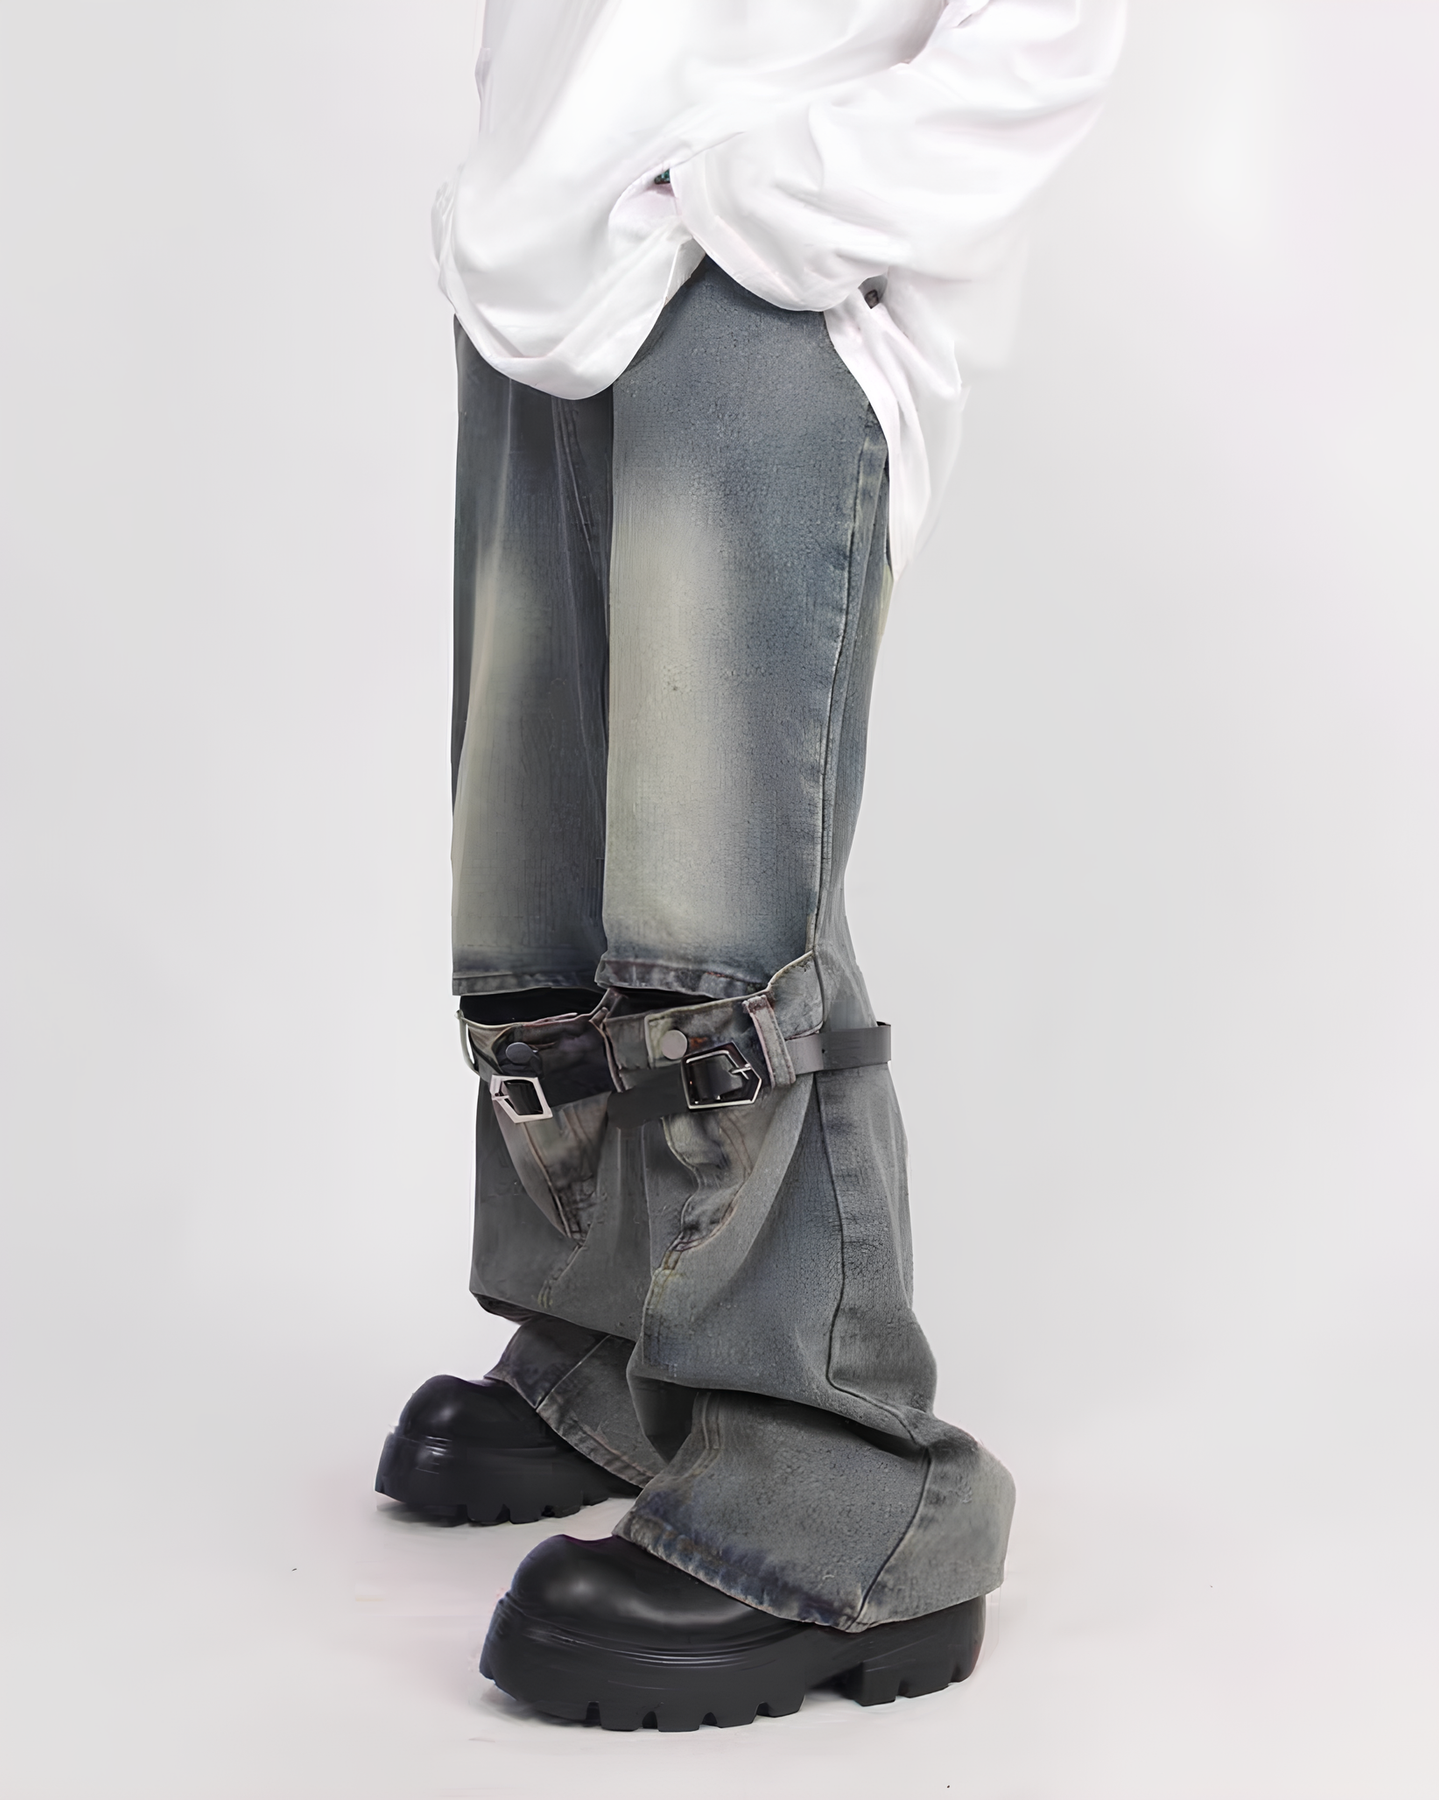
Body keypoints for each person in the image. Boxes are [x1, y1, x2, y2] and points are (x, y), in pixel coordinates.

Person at [375, 0, 1124, 1732]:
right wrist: (529, 180)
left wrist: (752, 195)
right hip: (546, 262)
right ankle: (615, 1352)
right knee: (541, 876)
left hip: (761, 274)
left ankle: (838, 1472)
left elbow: (1046, 34)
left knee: (719, 913)